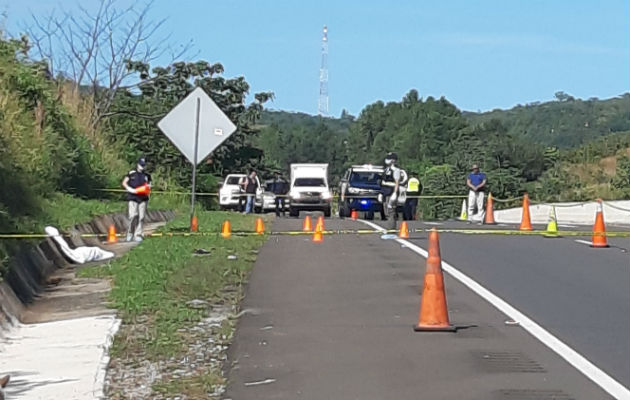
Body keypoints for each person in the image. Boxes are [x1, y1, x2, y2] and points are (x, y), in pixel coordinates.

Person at [122, 157, 152, 241]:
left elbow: (149, 185)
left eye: (144, 165)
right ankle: (130, 233)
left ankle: (138, 234)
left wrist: (149, 188)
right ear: (137, 164)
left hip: (143, 198)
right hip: (133, 197)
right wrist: (129, 189)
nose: (142, 167)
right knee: (133, 215)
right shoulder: (132, 173)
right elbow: (124, 182)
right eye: (141, 165)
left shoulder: (147, 176)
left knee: (141, 217)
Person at [380, 152, 403, 221]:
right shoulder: (386, 170)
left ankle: (392, 224)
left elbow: (397, 182)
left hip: (391, 191)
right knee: (385, 209)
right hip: (385, 191)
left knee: (391, 209)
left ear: (393, 160)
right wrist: (381, 193)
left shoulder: (396, 170)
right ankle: (389, 222)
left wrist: (395, 193)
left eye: (389, 159)